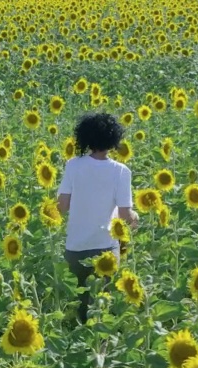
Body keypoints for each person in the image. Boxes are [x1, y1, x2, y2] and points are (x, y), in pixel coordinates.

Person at [56, 112, 138, 325]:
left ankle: (78, 348)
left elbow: (62, 207)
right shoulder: (121, 171)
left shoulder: (73, 165)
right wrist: (136, 218)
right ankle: (99, 350)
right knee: (102, 307)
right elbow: (124, 215)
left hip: (76, 246)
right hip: (105, 248)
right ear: (113, 140)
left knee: (80, 304)